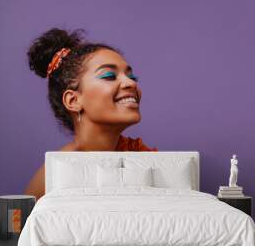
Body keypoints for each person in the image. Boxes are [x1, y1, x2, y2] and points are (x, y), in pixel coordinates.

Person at [24, 28, 157, 200]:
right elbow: (19, 226)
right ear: (73, 101)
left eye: (132, 77)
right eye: (109, 76)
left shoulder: (140, 156)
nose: (130, 82)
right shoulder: (55, 173)